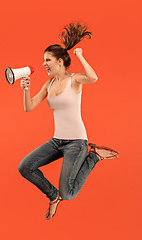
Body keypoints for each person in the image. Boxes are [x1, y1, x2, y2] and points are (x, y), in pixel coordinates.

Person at [18, 22, 119, 220]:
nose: (44, 64)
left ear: (60, 61)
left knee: (69, 194)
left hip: (76, 143)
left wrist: (80, 55)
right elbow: (28, 107)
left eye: (47, 60)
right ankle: (53, 196)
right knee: (25, 167)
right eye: (44, 60)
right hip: (57, 141)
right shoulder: (49, 83)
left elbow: (94, 78)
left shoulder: (75, 79)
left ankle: (94, 156)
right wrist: (26, 89)